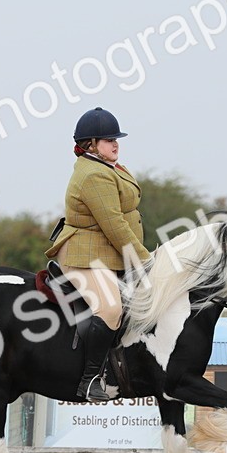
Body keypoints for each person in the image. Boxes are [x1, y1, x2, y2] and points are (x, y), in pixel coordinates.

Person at [45, 107, 151, 401]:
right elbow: (115, 225)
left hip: (106, 254)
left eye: (116, 139)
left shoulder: (111, 167)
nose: (115, 144)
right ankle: (89, 380)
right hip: (85, 256)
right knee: (110, 309)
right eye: (108, 140)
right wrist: (144, 260)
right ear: (90, 144)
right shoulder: (94, 175)